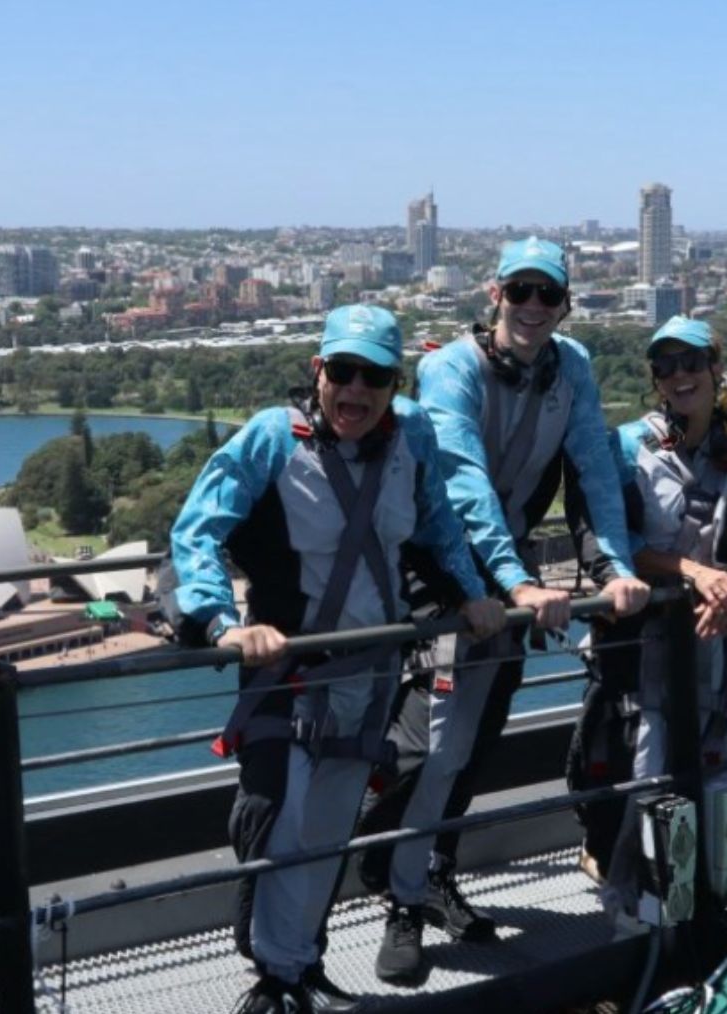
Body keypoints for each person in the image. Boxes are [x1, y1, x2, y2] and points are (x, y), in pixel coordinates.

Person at [168, 305, 507, 1014]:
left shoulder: (411, 434)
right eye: (342, 373)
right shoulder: (271, 439)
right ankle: (272, 983)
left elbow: (439, 525)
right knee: (280, 824)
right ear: (317, 371)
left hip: (373, 672)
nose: (355, 391)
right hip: (288, 669)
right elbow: (197, 530)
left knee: (326, 831)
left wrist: (473, 594)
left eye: (374, 377)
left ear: (393, 383)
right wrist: (223, 622)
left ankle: (297, 970)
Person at [361, 237, 649, 986]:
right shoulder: (450, 367)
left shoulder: (572, 368)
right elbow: (459, 484)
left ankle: (431, 873)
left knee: (478, 736)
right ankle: (396, 893)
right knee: (435, 740)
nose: (531, 306)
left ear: (564, 305)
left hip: (514, 573)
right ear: (494, 294)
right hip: (440, 568)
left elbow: (591, 470)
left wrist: (611, 567)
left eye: (546, 294)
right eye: (519, 290)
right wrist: (515, 583)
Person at [580, 316, 727, 915]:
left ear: (715, 369)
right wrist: (697, 574)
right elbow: (618, 547)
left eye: (691, 362)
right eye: (665, 366)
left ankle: (706, 902)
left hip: (713, 642)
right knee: (645, 775)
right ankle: (637, 909)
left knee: (720, 769)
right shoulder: (628, 447)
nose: (679, 375)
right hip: (645, 643)